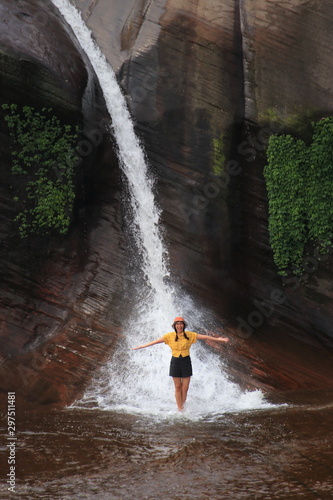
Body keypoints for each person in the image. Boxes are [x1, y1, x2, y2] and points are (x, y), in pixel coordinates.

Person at [132, 316, 229, 411]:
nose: (179, 326)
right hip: (175, 362)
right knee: (178, 387)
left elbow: (204, 337)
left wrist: (218, 339)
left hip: (186, 361)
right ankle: (180, 409)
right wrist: (142, 346)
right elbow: (155, 342)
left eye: (181, 324)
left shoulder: (190, 335)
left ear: (183, 325)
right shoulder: (169, 336)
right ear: (174, 326)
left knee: (185, 387)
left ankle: (182, 406)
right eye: (177, 324)